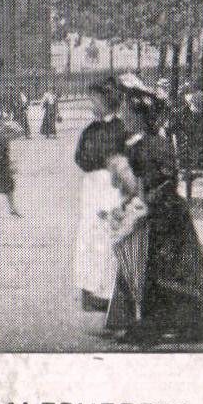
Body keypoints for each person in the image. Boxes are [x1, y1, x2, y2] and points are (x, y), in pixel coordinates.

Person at [104, 83, 203, 347]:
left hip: (168, 215)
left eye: (128, 116)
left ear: (141, 117)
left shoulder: (159, 144)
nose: (124, 120)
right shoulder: (134, 146)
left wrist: (147, 204)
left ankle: (163, 324)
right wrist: (126, 205)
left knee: (172, 272)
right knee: (142, 267)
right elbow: (135, 185)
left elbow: (168, 180)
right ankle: (142, 321)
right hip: (150, 213)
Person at [72, 75, 126, 312]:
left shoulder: (120, 129)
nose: (91, 105)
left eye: (95, 100)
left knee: (107, 234)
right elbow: (80, 157)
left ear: (107, 101)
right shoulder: (91, 129)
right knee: (88, 235)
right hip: (92, 186)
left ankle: (107, 291)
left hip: (110, 185)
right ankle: (89, 289)